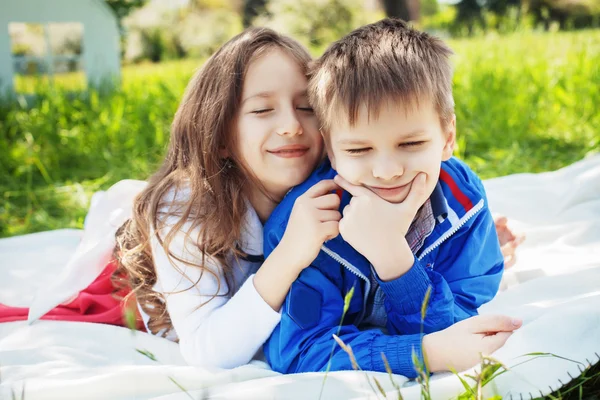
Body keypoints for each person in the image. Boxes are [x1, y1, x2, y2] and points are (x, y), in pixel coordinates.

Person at [112, 25, 522, 371]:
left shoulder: (355, 172)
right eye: (261, 110)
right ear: (218, 133)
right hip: (161, 275)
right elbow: (212, 352)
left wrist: (404, 250)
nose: (291, 126)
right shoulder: (187, 211)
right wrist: (292, 252)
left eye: (306, 106)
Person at [262, 18, 522, 378]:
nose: (386, 171)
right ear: (332, 151)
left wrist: (393, 260)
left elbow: (459, 331)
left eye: (411, 144)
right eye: (358, 149)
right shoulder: (304, 227)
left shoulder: (465, 202)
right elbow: (300, 352)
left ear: (447, 138)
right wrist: (422, 355)